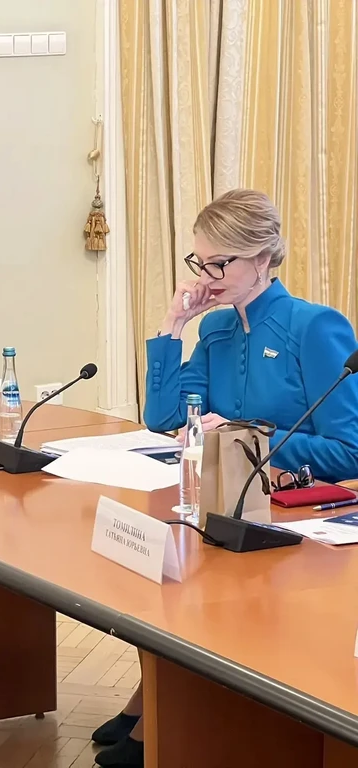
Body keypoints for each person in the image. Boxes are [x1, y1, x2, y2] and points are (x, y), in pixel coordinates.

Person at [92, 189, 358, 768]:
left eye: (220, 263)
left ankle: (171, 720)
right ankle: (155, 700)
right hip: (220, 505)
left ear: (262, 257)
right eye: (200, 262)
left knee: (185, 579)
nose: (206, 277)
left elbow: (351, 450)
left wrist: (246, 435)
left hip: (293, 526)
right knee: (153, 567)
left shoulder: (314, 326)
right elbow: (164, 417)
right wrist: (173, 324)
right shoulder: (214, 329)